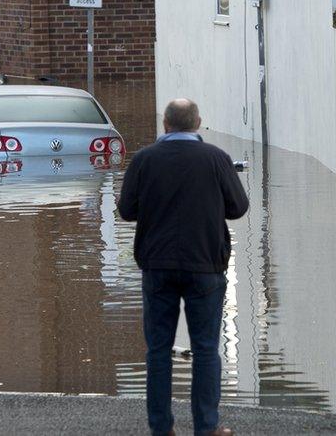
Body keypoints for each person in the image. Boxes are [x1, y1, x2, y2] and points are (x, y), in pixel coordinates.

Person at [118, 99, 249, 436]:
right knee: (206, 349)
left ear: (165, 124)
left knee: (158, 350)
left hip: (157, 266)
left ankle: (161, 429)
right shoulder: (217, 159)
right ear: (197, 123)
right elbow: (238, 208)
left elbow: (126, 211)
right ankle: (207, 428)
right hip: (205, 264)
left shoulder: (145, 160)